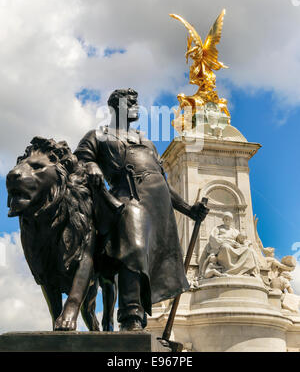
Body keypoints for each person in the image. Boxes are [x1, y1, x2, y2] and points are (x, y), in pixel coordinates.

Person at [74, 88, 209, 331]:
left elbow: (163, 183)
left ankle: (140, 316)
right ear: (116, 107)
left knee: (150, 258)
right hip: (126, 198)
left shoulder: (146, 140)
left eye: (138, 103)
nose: (137, 107)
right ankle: (130, 317)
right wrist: (91, 166)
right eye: (131, 103)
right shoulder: (99, 135)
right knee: (134, 249)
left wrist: (189, 210)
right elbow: (79, 160)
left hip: (158, 206)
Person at [202, 212, 260, 277]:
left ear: (231, 220)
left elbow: (241, 240)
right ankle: (227, 270)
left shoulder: (235, 231)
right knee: (225, 247)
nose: (227, 220)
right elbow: (213, 239)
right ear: (223, 220)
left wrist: (246, 243)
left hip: (234, 248)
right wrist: (227, 241)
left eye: (229, 219)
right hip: (221, 248)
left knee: (249, 251)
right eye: (226, 219)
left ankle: (243, 270)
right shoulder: (218, 228)